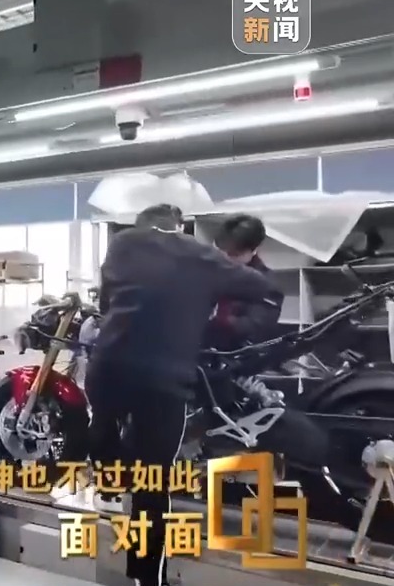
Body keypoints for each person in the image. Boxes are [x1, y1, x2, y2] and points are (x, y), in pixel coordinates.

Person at [86, 204, 278, 586]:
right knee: (153, 482)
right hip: (163, 382)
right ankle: (147, 578)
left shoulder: (121, 245)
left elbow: (107, 304)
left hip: (109, 368)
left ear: (141, 224)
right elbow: (263, 288)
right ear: (179, 227)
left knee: (103, 428)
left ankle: (110, 477)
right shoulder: (199, 254)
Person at [207, 214, 285, 350]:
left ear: (254, 250)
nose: (225, 258)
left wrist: (218, 321)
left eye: (234, 254)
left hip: (233, 354)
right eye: (220, 252)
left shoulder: (267, 285)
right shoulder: (209, 270)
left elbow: (256, 329)